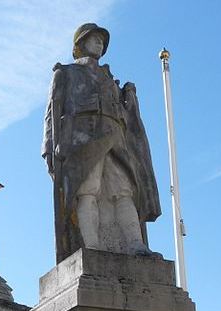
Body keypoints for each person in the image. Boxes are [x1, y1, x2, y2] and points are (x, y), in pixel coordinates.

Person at [42, 23, 161, 262]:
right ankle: (93, 247)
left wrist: (129, 100)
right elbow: (51, 114)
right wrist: (50, 146)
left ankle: (135, 244)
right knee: (88, 192)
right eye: (93, 39)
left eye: (101, 40)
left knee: (123, 191)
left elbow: (126, 117)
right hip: (83, 140)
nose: (99, 43)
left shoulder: (110, 79)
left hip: (115, 139)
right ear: (80, 44)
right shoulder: (65, 73)